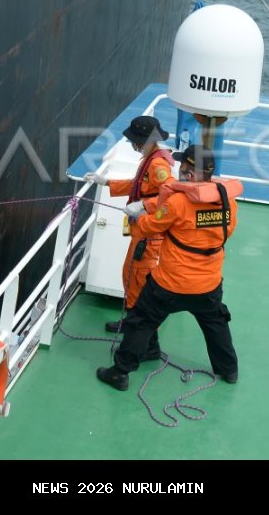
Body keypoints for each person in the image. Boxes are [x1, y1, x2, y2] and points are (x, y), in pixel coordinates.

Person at [96, 145, 243, 391]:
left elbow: (149, 227)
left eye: (183, 165)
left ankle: (120, 372)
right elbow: (228, 230)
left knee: (141, 321)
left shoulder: (178, 203)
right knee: (216, 324)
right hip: (208, 283)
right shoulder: (229, 204)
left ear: (188, 170)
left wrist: (136, 216)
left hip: (170, 282)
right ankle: (229, 370)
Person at [86, 115, 175, 333]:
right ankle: (133, 321)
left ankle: (140, 328)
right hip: (142, 230)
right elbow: (138, 185)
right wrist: (107, 182)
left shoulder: (157, 165)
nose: (133, 144)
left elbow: (171, 196)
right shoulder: (149, 159)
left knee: (138, 278)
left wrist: (144, 205)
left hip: (150, 233)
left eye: (136, 140)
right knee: (130, 273)